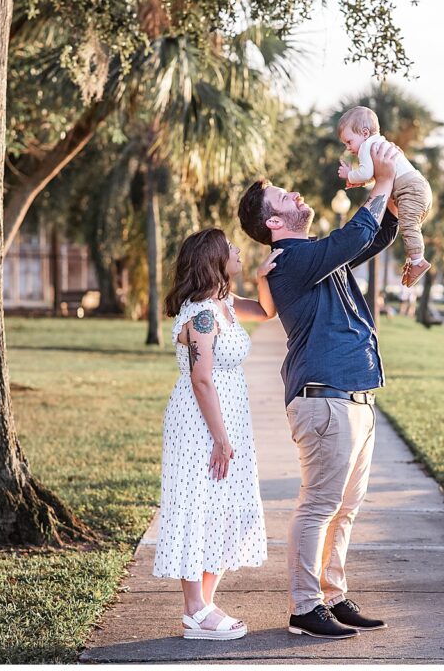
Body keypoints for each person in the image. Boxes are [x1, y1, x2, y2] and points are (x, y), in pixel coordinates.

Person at [237, 140, 401, 640]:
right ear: (273, 223)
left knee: (345, 508)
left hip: (353, 397)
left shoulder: (312, 256)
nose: (297, 195)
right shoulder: (289, 261)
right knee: (319, 505)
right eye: (285, 196)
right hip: (324, 397)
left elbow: (367, 240)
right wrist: (383, 182)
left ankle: (332, 596)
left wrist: (391, 200)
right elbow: (352, 239)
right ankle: (305, 608)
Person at [153, 228, 282, 641]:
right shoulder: (202, 315)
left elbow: (265, 312)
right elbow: (201, 379)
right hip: (200, 426)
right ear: (214, 259)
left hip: (227, 423)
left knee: (227, 512)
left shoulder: (223, 304)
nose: (238, 250)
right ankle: (194, 609)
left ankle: (203, 608)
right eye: (231, 248)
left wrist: (262, 278)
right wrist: (221, 440)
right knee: (197, 506)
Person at [336, 105, 434, 288]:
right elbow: (376, 175)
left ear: (365, 133)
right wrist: (358, 181)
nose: (348, 148)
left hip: (409, 189)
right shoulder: (381, 144)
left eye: (349, 142)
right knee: (410, 224)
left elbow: (366, 173)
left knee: (409, 225)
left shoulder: (367, 146)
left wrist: (350, 174)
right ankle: (413, 260)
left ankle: (418, 260)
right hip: (419, 187)